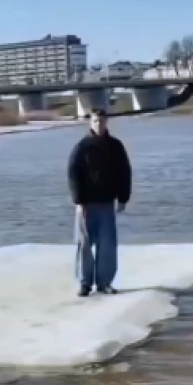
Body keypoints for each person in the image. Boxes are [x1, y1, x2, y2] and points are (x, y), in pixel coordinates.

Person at [67, 108, 132, 297]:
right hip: (86, 204)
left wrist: (123, 198)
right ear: (90, 123)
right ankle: (84, 283)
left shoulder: (115, 146)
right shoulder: (81, 147)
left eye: (102, 121)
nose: (99, 124)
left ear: (107, 122)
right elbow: (73, 174)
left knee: (107, 244)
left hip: (107, 203)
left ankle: (104, 282)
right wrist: (78, 201)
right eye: (95, 121)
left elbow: (124, 173)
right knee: (84, 244)